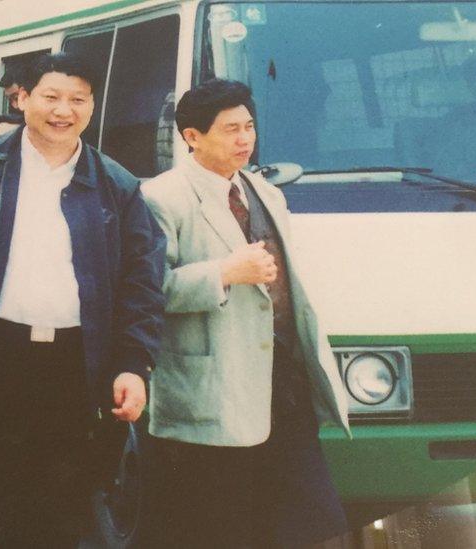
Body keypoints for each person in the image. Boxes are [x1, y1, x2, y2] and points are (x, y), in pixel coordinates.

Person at [0, 52, 165, 547]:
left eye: (78, 99)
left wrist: (134, 364)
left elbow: (142, 282)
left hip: (73, 369)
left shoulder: (116, 184)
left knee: (57, 514)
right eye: (51, 96)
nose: (63, 110)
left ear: (92, 106)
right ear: (22, 98)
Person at [140, 79, 350, 548]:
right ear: (192, 136)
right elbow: (147, 290)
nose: (245, 139)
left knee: (307, 514)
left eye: (249, 127)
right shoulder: (162, 197)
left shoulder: (263, 191)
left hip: (282, 377)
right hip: (216, 383)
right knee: (222, 519)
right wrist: (224, 273)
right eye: (230, 129)